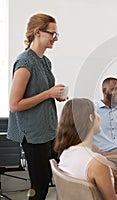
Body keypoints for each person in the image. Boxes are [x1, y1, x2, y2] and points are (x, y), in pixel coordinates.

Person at [7, 13, 67, 199]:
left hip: (48, 130)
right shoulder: (25, 62)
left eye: (57, 35)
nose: (55, 39)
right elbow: (14, 104)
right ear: (38, 32)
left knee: (47, 180)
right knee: (39, 187)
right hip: (33, 135)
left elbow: (39, 94)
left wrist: (55, 95)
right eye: (52, 34)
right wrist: (48, 93)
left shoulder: (44, 61)